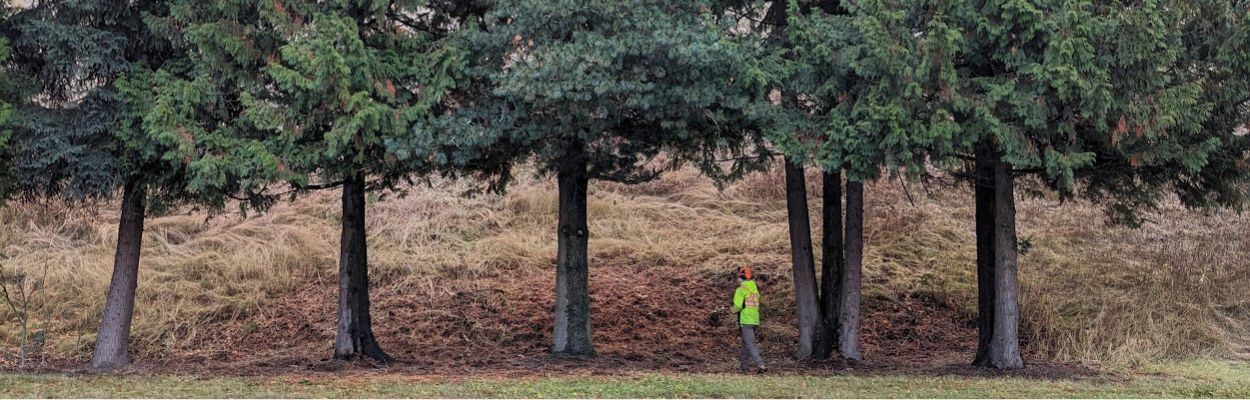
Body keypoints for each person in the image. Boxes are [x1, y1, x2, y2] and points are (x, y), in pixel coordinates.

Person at [732, 266, 766, 373]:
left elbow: (737, 306)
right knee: (745, 343)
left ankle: (760, 365)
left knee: (750, 344)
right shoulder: (754, 288)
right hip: (754, 319)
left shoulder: (740, 290)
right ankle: (744, 367)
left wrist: (731, 310)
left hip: (745, 320)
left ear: (740, 278)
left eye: (738, 277)